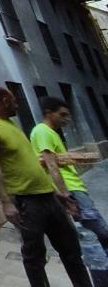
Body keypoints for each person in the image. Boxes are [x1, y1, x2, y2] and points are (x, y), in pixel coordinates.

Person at [0, 86, 92, 287]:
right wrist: (5, 203)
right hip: (26, 200)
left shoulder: (11, 125)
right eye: (14, 101)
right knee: (35, 257)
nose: (17, 105)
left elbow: (30, 162)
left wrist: (57, 193)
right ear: (4, 100)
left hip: (49, 198)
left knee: (71, 250)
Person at [32, 96, 108, 253]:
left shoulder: (51, 133)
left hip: (73, 187)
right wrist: (65, 194)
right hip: (71, 189)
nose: (67, 119)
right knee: (97, 231)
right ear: (48, 113)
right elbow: (51, 164)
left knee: (93, 233)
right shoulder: (42, 131)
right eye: (62, 114)